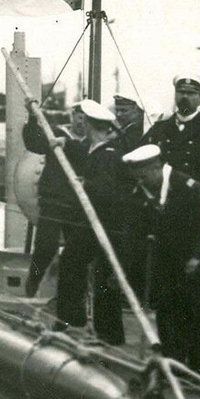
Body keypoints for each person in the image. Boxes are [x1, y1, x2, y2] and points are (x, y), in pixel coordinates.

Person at [142, 75, 200, 375]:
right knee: (167, 301)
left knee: (199, 304)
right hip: (165, 228)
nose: (186, 97)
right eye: (181, 91)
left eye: (192, 93)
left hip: (197, 230)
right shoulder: (160, 131)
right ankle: (173, 364)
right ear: (175, 93)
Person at [123, 144, 200, 376]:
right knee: (168, 312)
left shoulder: (187, 187)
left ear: (156, 168)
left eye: (144, 177)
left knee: (199, 313)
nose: (141, 183)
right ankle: (173, 364)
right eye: (137, 178)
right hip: (167, 262)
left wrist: (196, 257)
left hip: (198, 263)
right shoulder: (146, 190)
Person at [53, 99, 128, 345]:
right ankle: (81, 323)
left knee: (88, 268)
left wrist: (86, 184)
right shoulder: (94, 149)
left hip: (104, 225)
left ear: (91, 125)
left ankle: (93, 328)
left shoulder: (108, 154)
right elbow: (80, 150)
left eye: (84, 122)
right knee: (79, 265)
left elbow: (108, 189)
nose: (80, 126)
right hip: (92, 224)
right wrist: (64, 143)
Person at [22, 101, 87, 297]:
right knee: (45, 247)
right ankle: (34, 278)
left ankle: (75, 295)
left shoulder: (92, 142)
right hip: (54, 200)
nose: (82, 121)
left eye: (86, 118)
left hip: (79, 203)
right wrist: (33, 118)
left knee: (77, 252)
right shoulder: (56, 135)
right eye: (79, 116)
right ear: (72, 115)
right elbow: (34, 142)